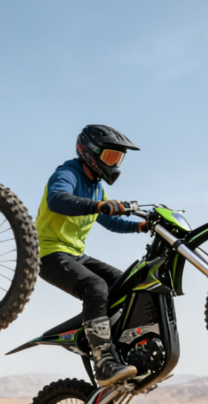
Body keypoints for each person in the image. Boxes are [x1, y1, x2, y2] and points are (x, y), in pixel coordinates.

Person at [35, 124, 147, 386]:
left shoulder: (96, 186)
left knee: (126, 282)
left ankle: (124, 351)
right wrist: (99, 205)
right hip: (49, 253)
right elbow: (57, 199)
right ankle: (103, 361)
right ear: (90, 152)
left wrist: (141, 226)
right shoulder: (68, 173)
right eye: (110, 156)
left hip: (75, 254)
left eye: (118, 159)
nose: (114, 164)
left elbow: (110, 221)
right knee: (95, 286)